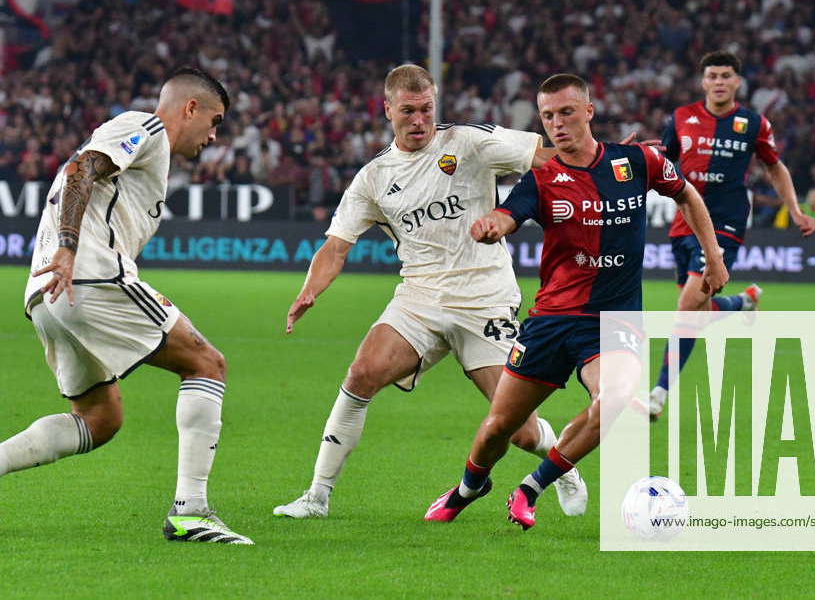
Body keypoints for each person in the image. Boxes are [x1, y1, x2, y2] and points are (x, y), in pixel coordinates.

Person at [273, 64, 588, 520]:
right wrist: (309, 291)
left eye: (426, 109)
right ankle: (316, 496)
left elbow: (544, 154)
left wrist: (607, 162)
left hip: (485, 299)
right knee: (361, 373)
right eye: (408, 111)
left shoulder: (468, 142)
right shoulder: (375, 177)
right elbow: (336, 246)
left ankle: (564, 466)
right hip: (419, 300)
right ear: (387, 110)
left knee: (517, 430)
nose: (419, 120)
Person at [423, 73, 728, 530]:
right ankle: (469, 487)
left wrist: (713, 256)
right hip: (550, 321)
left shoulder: (637, 161)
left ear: (589, 111)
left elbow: (686, 193)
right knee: (498, 428)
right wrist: (493, 226)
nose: (557, 124)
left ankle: (531, 487)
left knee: (617, 397)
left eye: (566, 112)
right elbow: (509, 215)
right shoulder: (542, 179)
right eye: (548, 116)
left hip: (612, 319)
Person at [1, 67, 253, 545]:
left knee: (99, 419)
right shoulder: (148, 128)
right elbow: (82, 169)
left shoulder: (151, 154)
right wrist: (71, 246)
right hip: (87, 274)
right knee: (206, 363)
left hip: (47, 294)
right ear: (190, 108)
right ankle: (191, 512)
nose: (214, 135)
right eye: (214, 120)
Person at [648, 50, 815, 418]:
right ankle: (744, 302)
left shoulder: (753, 123)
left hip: (726, 225)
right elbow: (659, 161)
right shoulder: (681, 118)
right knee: (698, 310)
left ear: (737, 82)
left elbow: (775, 168)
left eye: (726, 75)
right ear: (703, 81)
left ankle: (659, 390)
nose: (720, 82)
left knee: (686, 307)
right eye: (713, 75)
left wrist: (795, 209)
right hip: (683, 225)